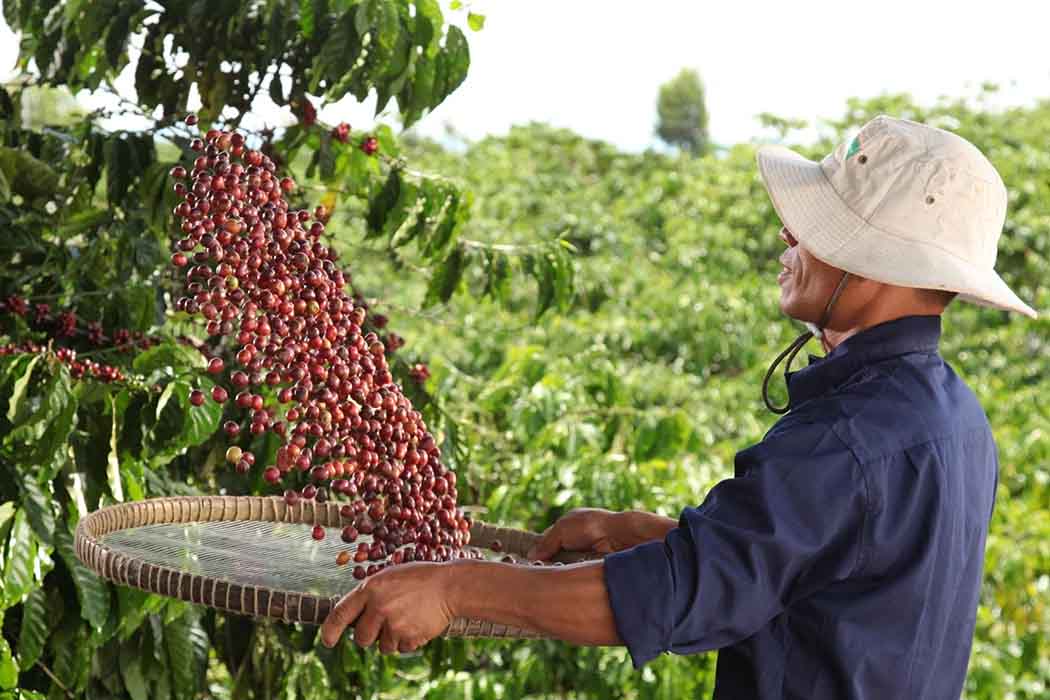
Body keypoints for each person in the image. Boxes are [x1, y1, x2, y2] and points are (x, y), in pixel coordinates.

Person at [320, 115, 1037, 699]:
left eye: (815, 226)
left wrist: (454, 587)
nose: (789, 236)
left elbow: (671, 597)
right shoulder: (954, 419)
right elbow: (834, 571)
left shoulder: (845, 442)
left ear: (878, 261)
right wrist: (646, 532)